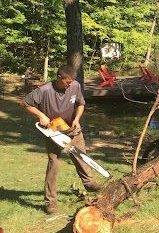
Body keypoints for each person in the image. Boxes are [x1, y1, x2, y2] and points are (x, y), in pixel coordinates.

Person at [21, 64, 100, 214]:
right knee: (54, 164)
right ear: (59, 78)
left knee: (80, 156)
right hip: (53, 131)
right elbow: (25, 103)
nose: (70, 84)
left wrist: (77, 119)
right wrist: (41, 115)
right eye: (67, 82)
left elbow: (81, 104)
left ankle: (89, 183)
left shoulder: (75, 85)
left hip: (72, 129)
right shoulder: (44, 90)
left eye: (72, 81)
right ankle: (50, 202)